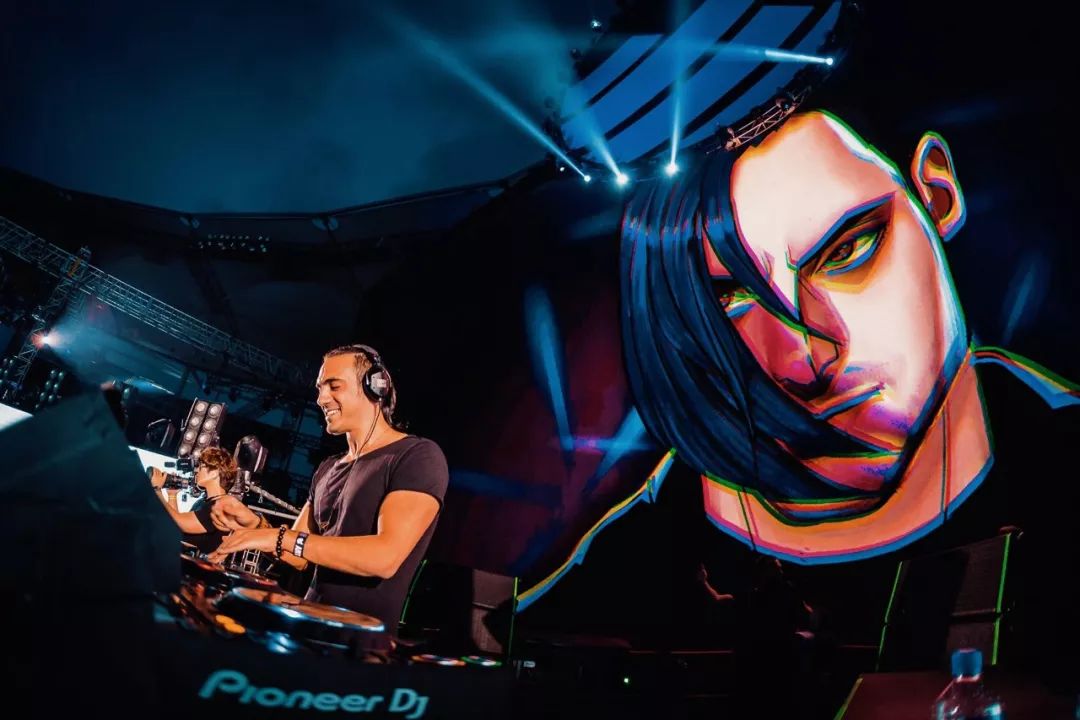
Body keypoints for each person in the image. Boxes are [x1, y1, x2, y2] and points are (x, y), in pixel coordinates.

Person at [620, 107, 1080, 682]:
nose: (803, 356)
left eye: (845, 252)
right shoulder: (637, 559)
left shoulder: (1059, 463)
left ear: (935, 194)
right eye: (730, 300)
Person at [206, 344, 449, 635]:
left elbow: (384, 557)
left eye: (334, 386)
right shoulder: (327, 467)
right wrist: (255, 526)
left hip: (357, 644)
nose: (321, 399)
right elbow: (299, 555)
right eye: (320, 388)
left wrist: (279, 537)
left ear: (375, 387)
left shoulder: (417, 456)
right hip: (305, 625)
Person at [149, 446, 239, 555]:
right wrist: (172, 495)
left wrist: (157, 490)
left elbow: (180, 523)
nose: (196, 470)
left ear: (214, 473)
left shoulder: (221, 506)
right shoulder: (203, 502)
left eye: (201, 467)